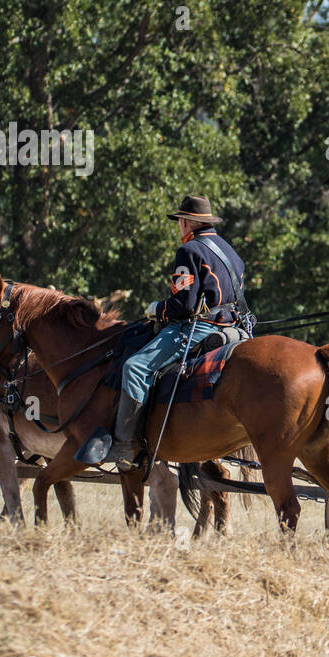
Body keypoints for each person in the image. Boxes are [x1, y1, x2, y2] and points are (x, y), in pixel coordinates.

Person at [77, 195, 247, 469]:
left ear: (189, 222)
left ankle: (122, 446)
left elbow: (184, 305)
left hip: (201, 328)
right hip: (235, 329)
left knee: (134, 367)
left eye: (180, 220)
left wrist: (156, 309)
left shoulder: (190, 251)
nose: (179, 226)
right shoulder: (231, 251)